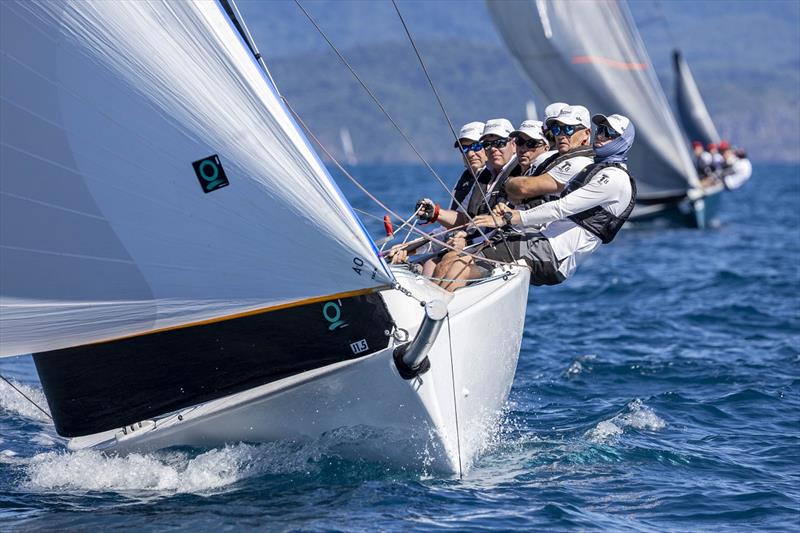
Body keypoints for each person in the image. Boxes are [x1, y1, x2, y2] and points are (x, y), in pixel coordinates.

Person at [434, 113, 637, 292]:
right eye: (601, 130)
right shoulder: (596, 169)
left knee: (457, 266)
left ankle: (436, 323)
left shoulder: (614, 178)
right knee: (451, 260)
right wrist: (513, 210)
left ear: (623, 141)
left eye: (609, 133)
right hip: (541, 241)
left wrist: (511, 217)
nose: (601, 136)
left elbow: (560, 207)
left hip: (553, 253)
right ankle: (432, 313)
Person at [502, 105, 595, 210]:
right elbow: (517, 197)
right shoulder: (550, 159)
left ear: (586, 133)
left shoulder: (581, 162)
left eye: (569, 129)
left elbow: (523, 187)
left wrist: (507, 183)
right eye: (556, 129)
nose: (560, 135)